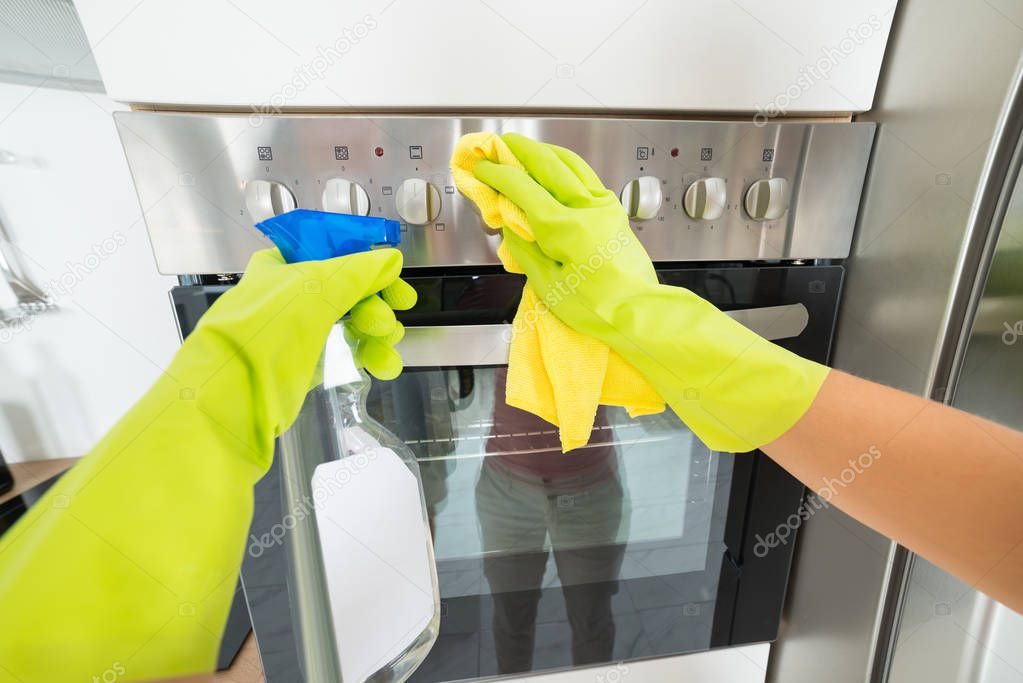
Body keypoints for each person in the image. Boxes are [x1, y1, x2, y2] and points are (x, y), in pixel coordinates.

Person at [0, 133, 1020, 682]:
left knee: (591, 603)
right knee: (521, 610)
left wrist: (228, 371)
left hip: (593, 494)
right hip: (501, 490)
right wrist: (665, 331)